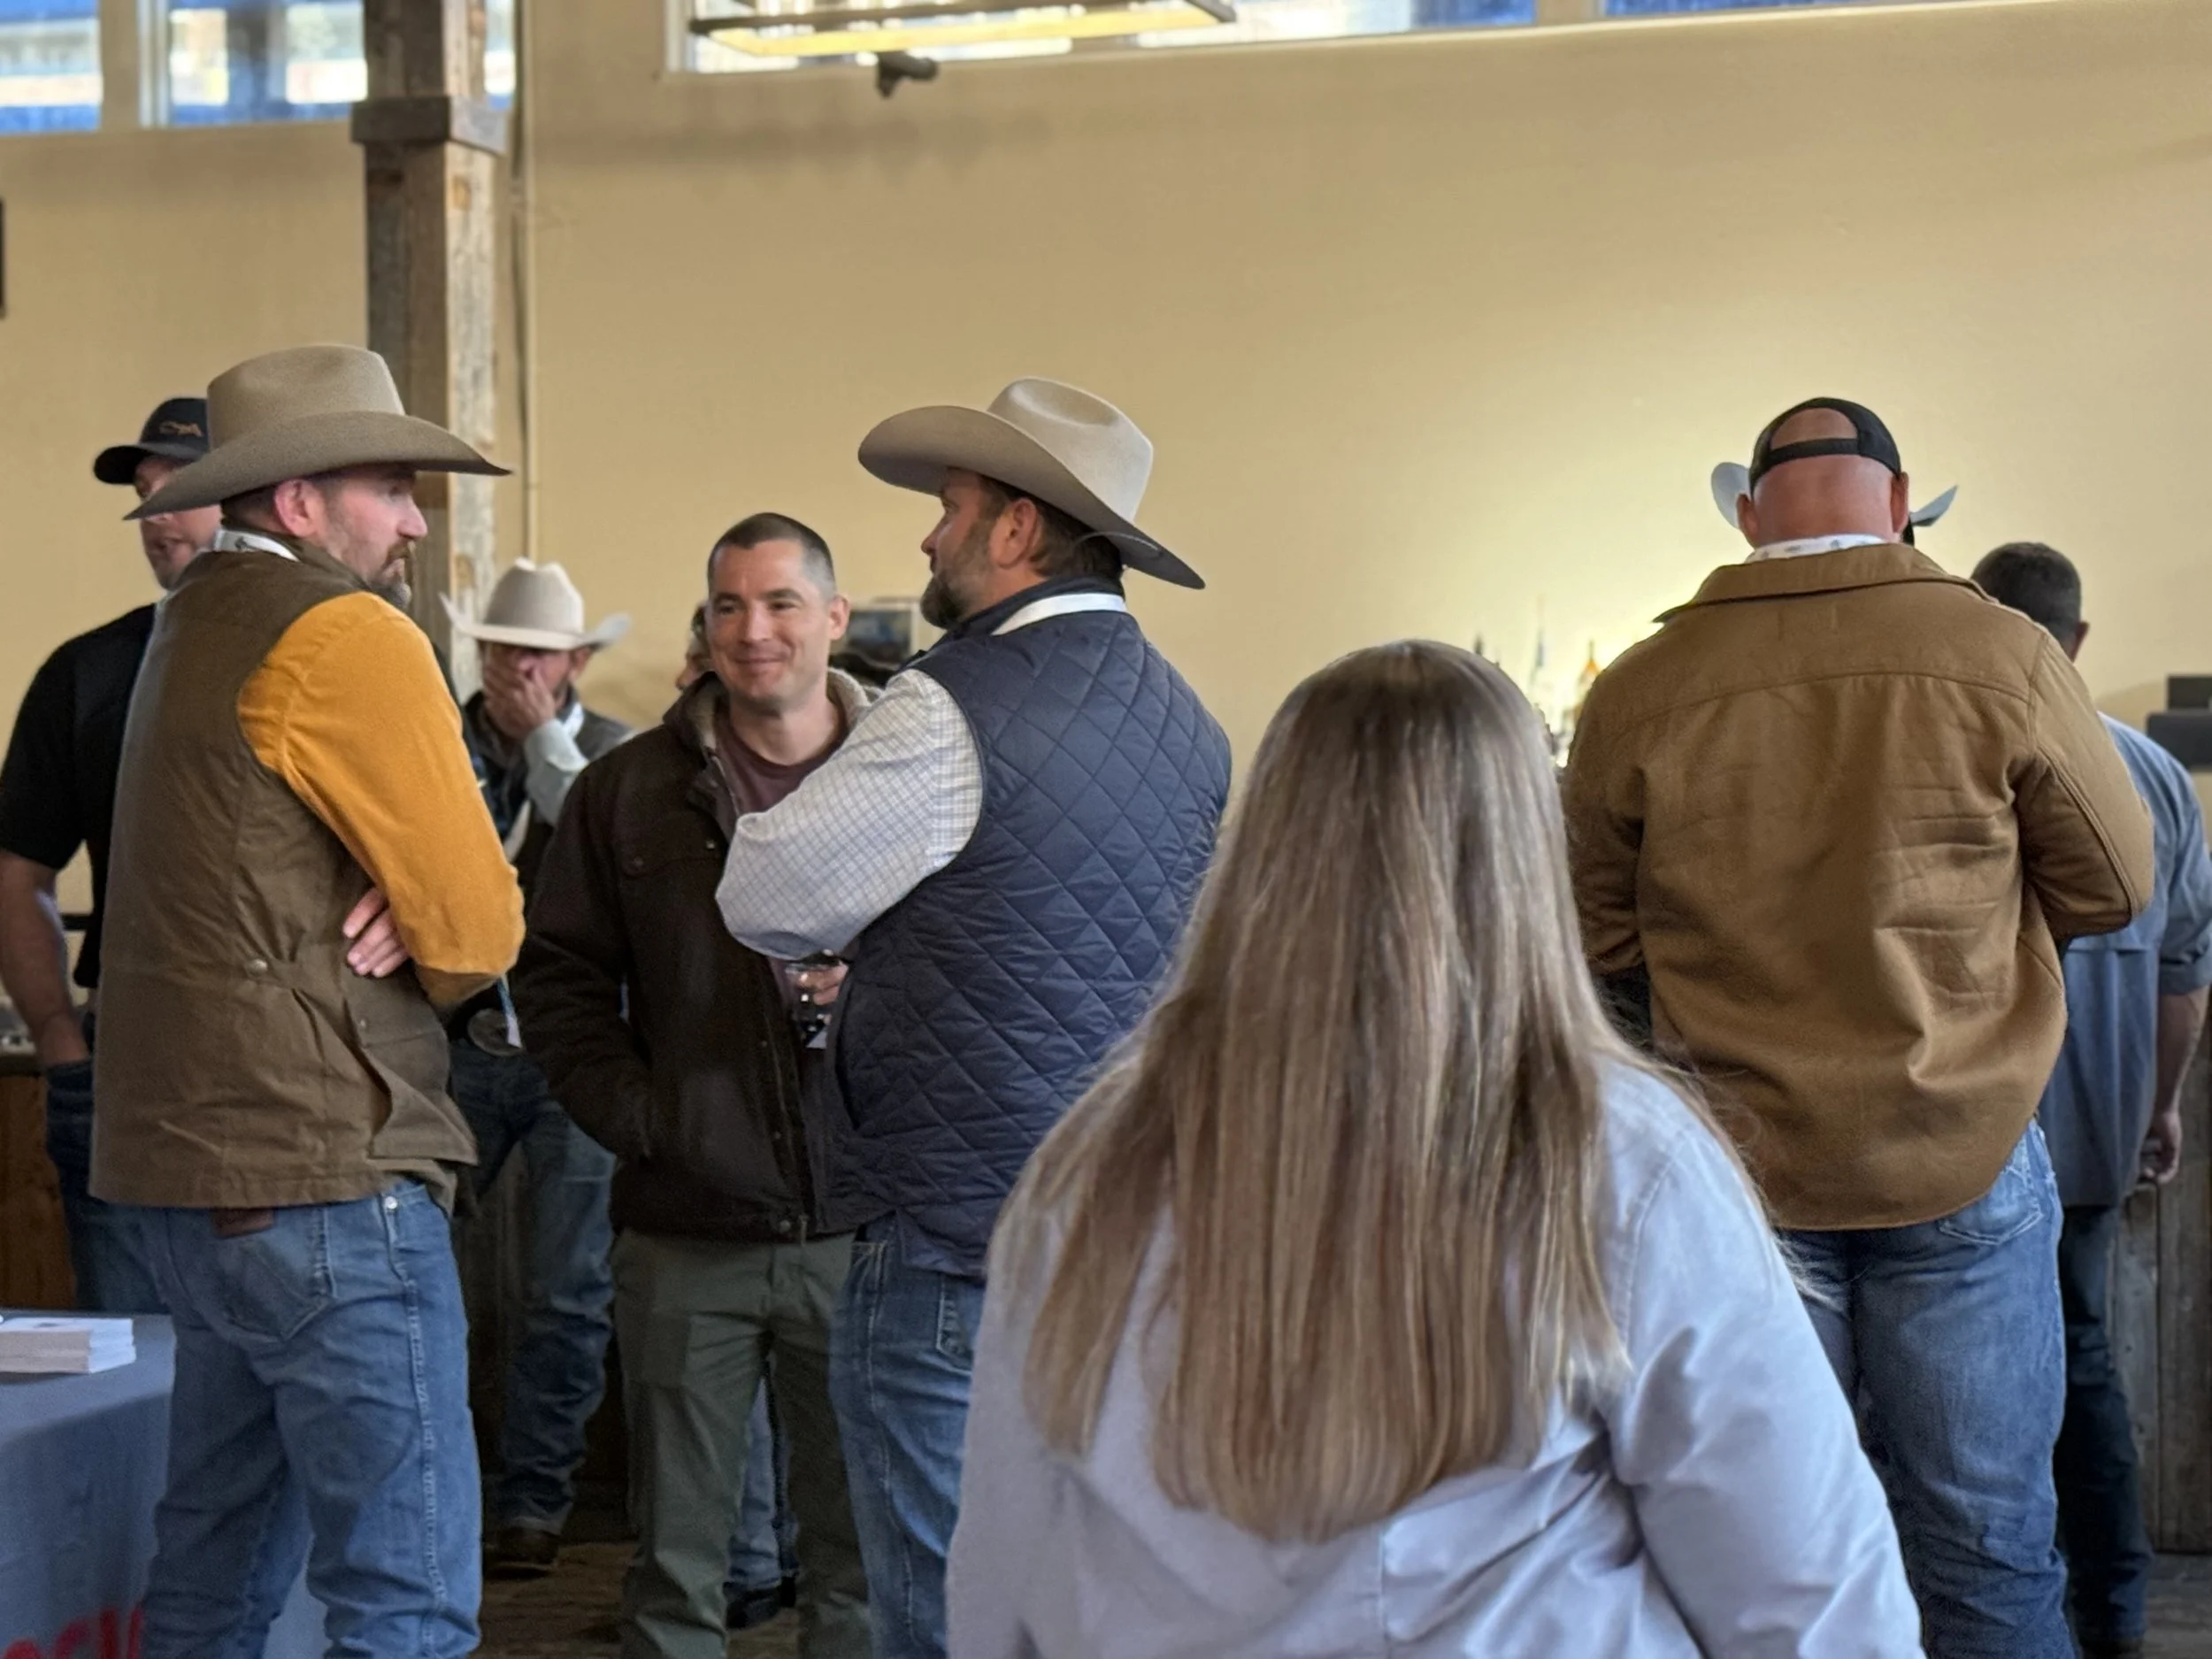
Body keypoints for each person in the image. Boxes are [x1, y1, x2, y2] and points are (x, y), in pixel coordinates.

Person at [950, 641, 1924, 1656]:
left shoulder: (1099, 1157)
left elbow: (1003, 1567)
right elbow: (1810, 1596)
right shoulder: (1617, 1162)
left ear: (1262, 845)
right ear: (1526, 856)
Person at [1563, 397, 2154, 1659]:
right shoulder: (2002, 654)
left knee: (1774, 1551)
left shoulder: (1644, 687)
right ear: (1898, 505)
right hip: (1963, 1147)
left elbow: (1598, 936)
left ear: (1745, 515)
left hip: (1742, 1173)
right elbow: (2115, 882)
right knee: (1989, 1538)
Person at [717, 380, 1232, 1659]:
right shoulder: (1193, 722)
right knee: (1095, 1600)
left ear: (1018, 529)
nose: (929, 539)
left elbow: (764, 894)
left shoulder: (952, 703)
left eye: (950, 510)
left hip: (958, 1230)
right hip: (1125, 1232)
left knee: (944, 1607)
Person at [89, 343, 523, 1655]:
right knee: (404, 1596)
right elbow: (478, 927)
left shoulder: (187, 626)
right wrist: (414, 895)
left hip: (186, 1186)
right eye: (391, 485)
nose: (412, 519)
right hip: (329, 1172)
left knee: (213, 1576)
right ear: (295, 502)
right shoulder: (344, 631)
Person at [517, 514, 876, 1659]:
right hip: (685, 1222)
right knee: (673, 1567)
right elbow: (560, 980)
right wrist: (644, 1119)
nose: (752, 629)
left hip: (865, 1228)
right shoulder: (628, 790)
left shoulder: (911, 776)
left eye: (778, 603)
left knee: (862, 1560)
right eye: (727, 605)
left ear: (833, 617)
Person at [1972, 541, 2212, 1659]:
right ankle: (2109, 1612)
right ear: (2076, 640)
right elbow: (2185, 973)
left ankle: (2004, 1609)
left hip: (1977, 1133)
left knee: (1977, 1385)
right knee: (2080, 1357)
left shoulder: (1968, 752)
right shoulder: (2154, 777)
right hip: (2098, 1136)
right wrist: (2160, 1108)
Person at [0, 398, 218, 1312]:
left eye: (179, 484)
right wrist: (57, 1037)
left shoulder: (321, 652)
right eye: (142, 489)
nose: (152, 511)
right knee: (137, 1366)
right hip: (120, 1058)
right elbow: (17, 875)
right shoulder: (87, 672)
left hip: (277, 1071)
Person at [442, 557, 633, 1576]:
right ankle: (448, 1496)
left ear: (576, 664)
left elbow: (609, 845)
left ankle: (536, 1505)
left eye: (543, 656)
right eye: (507, 651)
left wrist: (546, 741)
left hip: (575, 1053)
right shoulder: (431, 743)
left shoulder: (611, 756)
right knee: (430, 1281)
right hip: (455, 1049)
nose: (521, 671)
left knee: (568, 1292)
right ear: (480, 651)